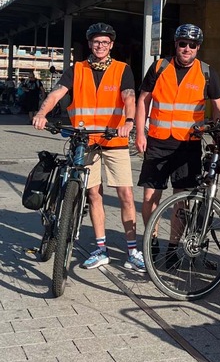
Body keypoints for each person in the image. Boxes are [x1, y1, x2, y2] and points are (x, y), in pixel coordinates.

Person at [32, 23, 143, 271]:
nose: (100, 46)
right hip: (85, 141)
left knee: (125, 193)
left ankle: (133, 250)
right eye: (96, 42)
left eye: (105, 42)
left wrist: (128, 121)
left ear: (111, 45)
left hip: (114, 139)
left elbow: (129, 97)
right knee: (93, 194)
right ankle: (101, 248)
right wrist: (41, 113)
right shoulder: (77, 69)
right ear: (90, 44)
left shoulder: (122, 69)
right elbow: (57, 93)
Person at [134, 24, 220, 266]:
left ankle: (173, 249)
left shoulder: (207, 72)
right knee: (149, 196)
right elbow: (143, 100)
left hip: (188, 145)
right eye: (182, 43)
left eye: (192, 45)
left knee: (182, 199)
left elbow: (218, 105)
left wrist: (219, 131)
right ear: (175, 44)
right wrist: (139, 133)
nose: (187, 48)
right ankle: (152, 240)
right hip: (157, 141)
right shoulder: (159, 67)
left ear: (198, 48)